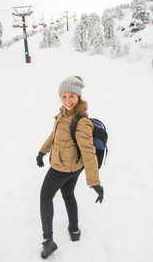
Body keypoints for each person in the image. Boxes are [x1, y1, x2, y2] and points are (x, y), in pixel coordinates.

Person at [36, 76, 104, 259]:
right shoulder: (62, 115)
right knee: (68, 194)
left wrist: (95, 183)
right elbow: (54, 135)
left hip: (62, 168)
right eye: (64, 96)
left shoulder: (81, 122)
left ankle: (48, 240)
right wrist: (42, 151)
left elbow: (89, 152)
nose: (67, 100)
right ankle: (74, 231)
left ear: (79, 97)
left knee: (45, 197)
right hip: (74, 166)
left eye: (71, 96)